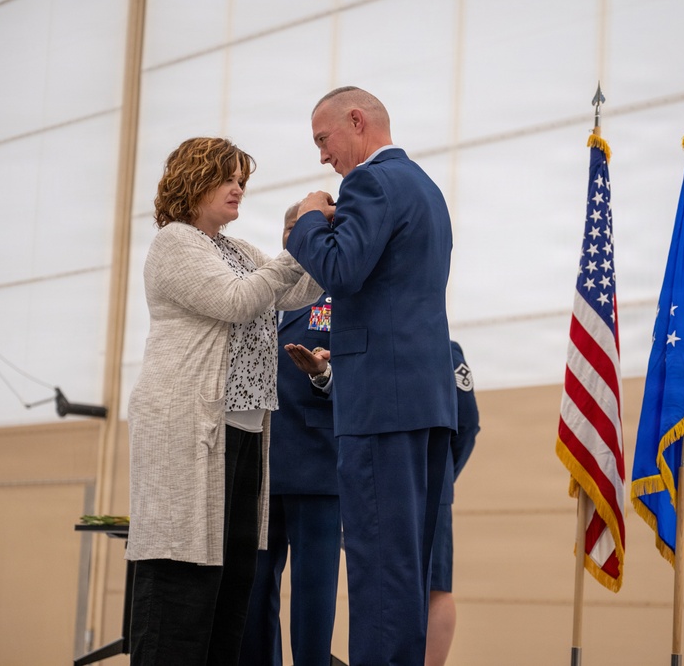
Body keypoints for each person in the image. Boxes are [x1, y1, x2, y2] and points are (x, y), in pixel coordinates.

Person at [126, 137, 322, 666]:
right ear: (194, 181)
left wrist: (325, 237)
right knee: (181, 576)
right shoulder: (176, 243)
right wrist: (298, 237)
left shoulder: (237, 251)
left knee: (230, 577)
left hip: (242, 431)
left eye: (242, 179)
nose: (238, 188)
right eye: (227, 177)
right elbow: (237, 301)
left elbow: (296, 290)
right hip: (188, 429)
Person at [287, 86, 458, 665]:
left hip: (380, 407)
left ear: (356, 122)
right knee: (405, 574)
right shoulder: (426, 188)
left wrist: (310, 219)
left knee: (379, 569)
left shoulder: (371, 182)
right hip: (425, 402)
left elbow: (342, 268)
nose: (322, 157)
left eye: (323, 139)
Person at [239, 206, 341, 666]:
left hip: (318, 468)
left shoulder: (344, 291)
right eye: (289, 229)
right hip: (258, 468)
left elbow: (365, 379)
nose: (295, 237)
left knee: (313, 600)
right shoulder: (258, 291)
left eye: (306, 228)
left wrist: (325, 376)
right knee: (254, 594)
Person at [426, 340, 480, 666]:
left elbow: (468, 422)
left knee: (435, 586)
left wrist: (443, 476)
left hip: (429, 483)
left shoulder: (445, 348)